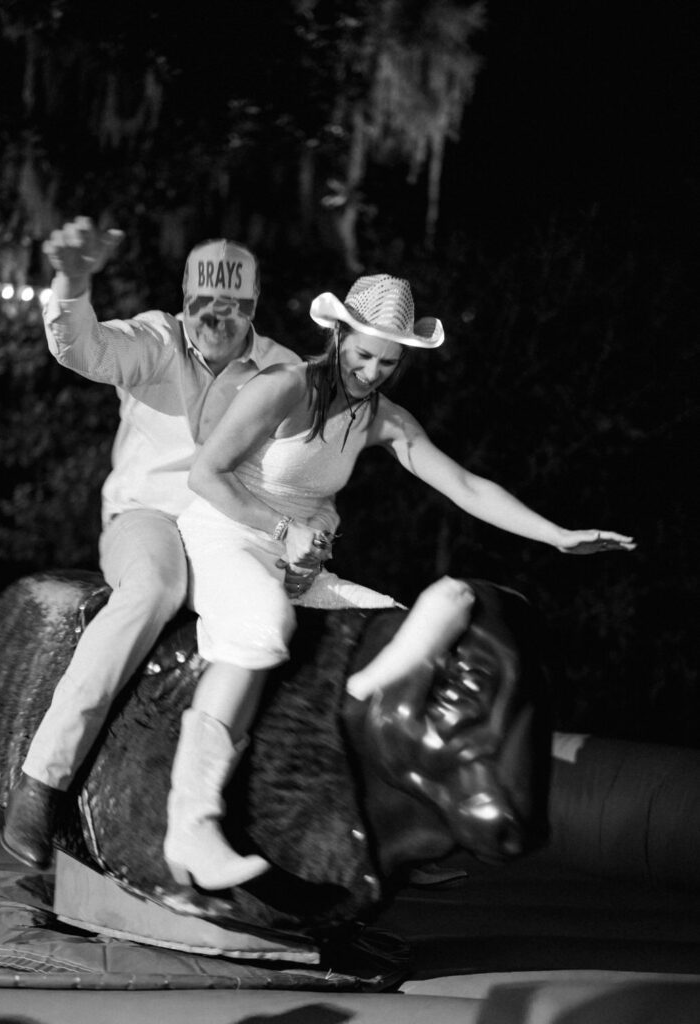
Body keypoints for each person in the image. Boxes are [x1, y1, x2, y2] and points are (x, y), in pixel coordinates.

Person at [164, 273, 636, 890]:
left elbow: (465, 486)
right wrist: (283, 529)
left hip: (298, 561)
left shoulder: (383, 419)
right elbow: (206, 475)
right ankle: (189, 826)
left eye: (389, 362)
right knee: (264, 626)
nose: (373, 371)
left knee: (396, 629)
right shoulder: (282, 386)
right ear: (337, 336)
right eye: (363, 355)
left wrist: (556, 535)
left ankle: (382, 826)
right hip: (226, 535)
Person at [0, 217, 333, 871]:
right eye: (205, 302)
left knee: (302, 615)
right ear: (185, 302)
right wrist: (73, 280)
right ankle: (42, 783)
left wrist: (307, 538)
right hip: (148, 520)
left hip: (229, 531)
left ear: (254, 307)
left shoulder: (283, 369)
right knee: (156, 586)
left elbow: (301, 470)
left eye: (234, 305)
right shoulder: (155, 340)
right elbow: (82, 348)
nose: (219, 316)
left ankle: (345, 810)